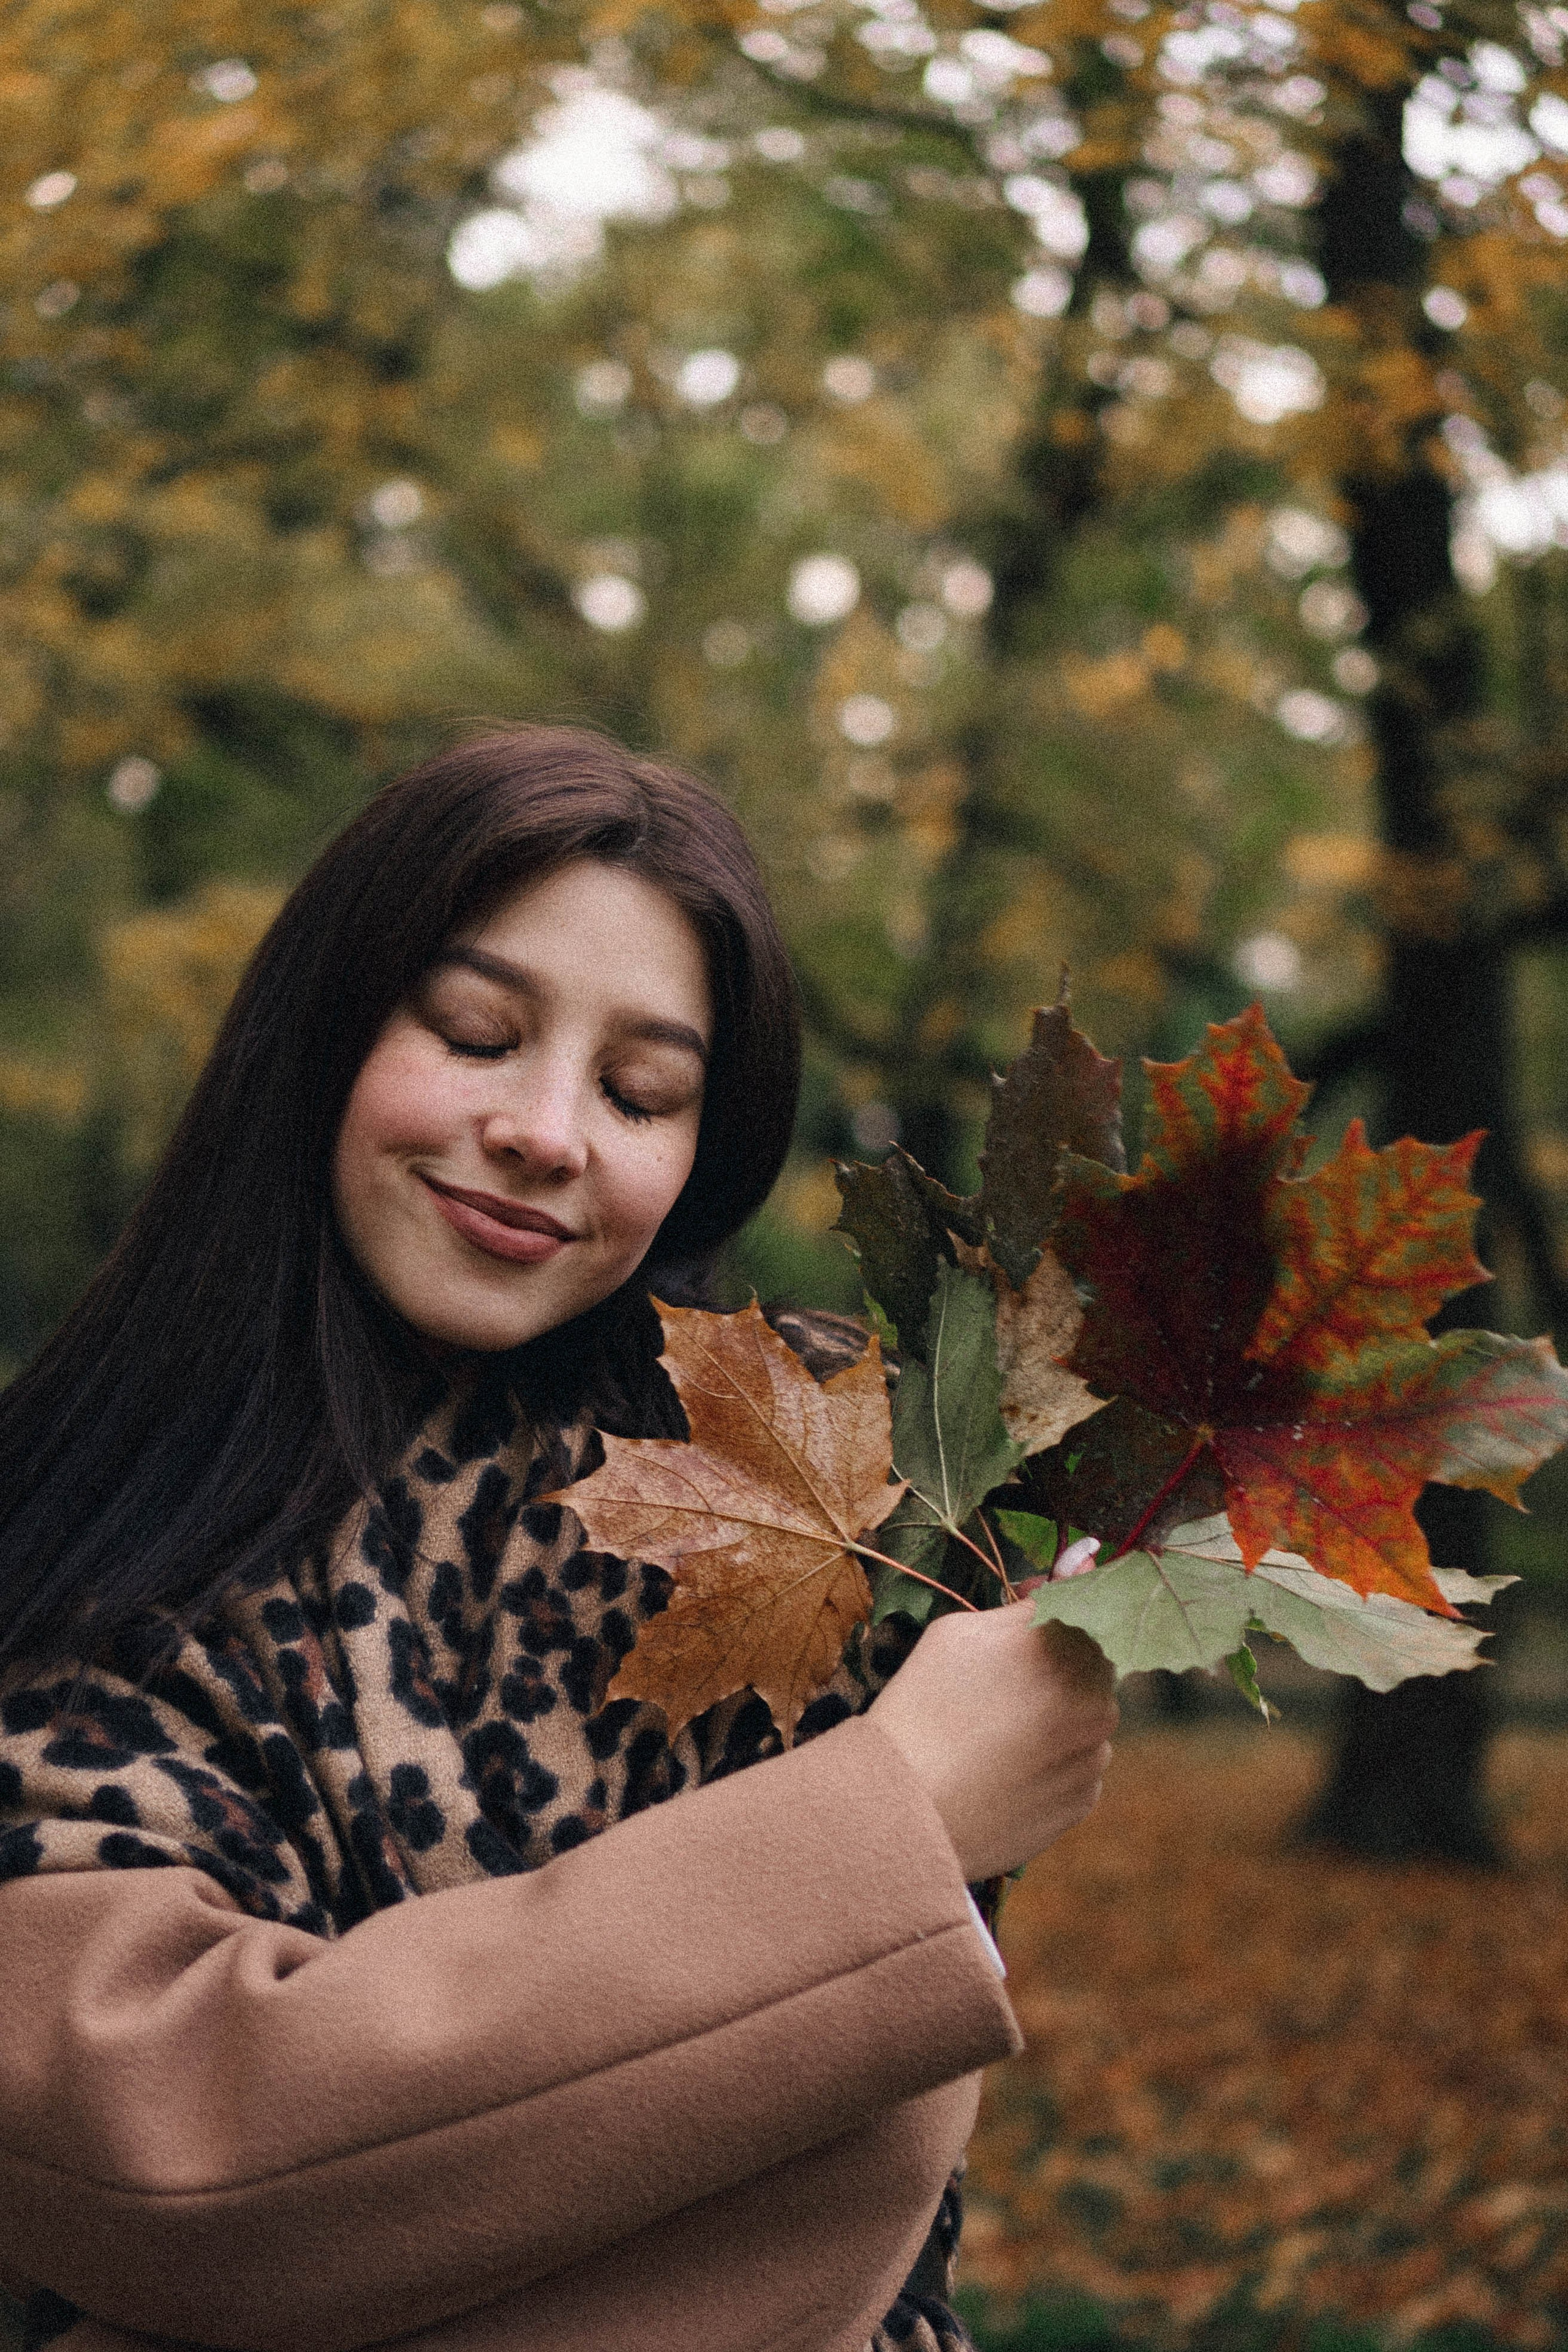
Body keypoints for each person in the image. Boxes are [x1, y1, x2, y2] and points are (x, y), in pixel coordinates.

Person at [0, 726, 1117, 2352]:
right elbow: (186, 2168)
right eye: (474, 1031)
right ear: (320, 1034)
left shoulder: (811, 1506)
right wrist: (895, 1824)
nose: (548, 1128)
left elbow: (881, 2202)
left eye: (640, 1088)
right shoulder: (96, 1531)